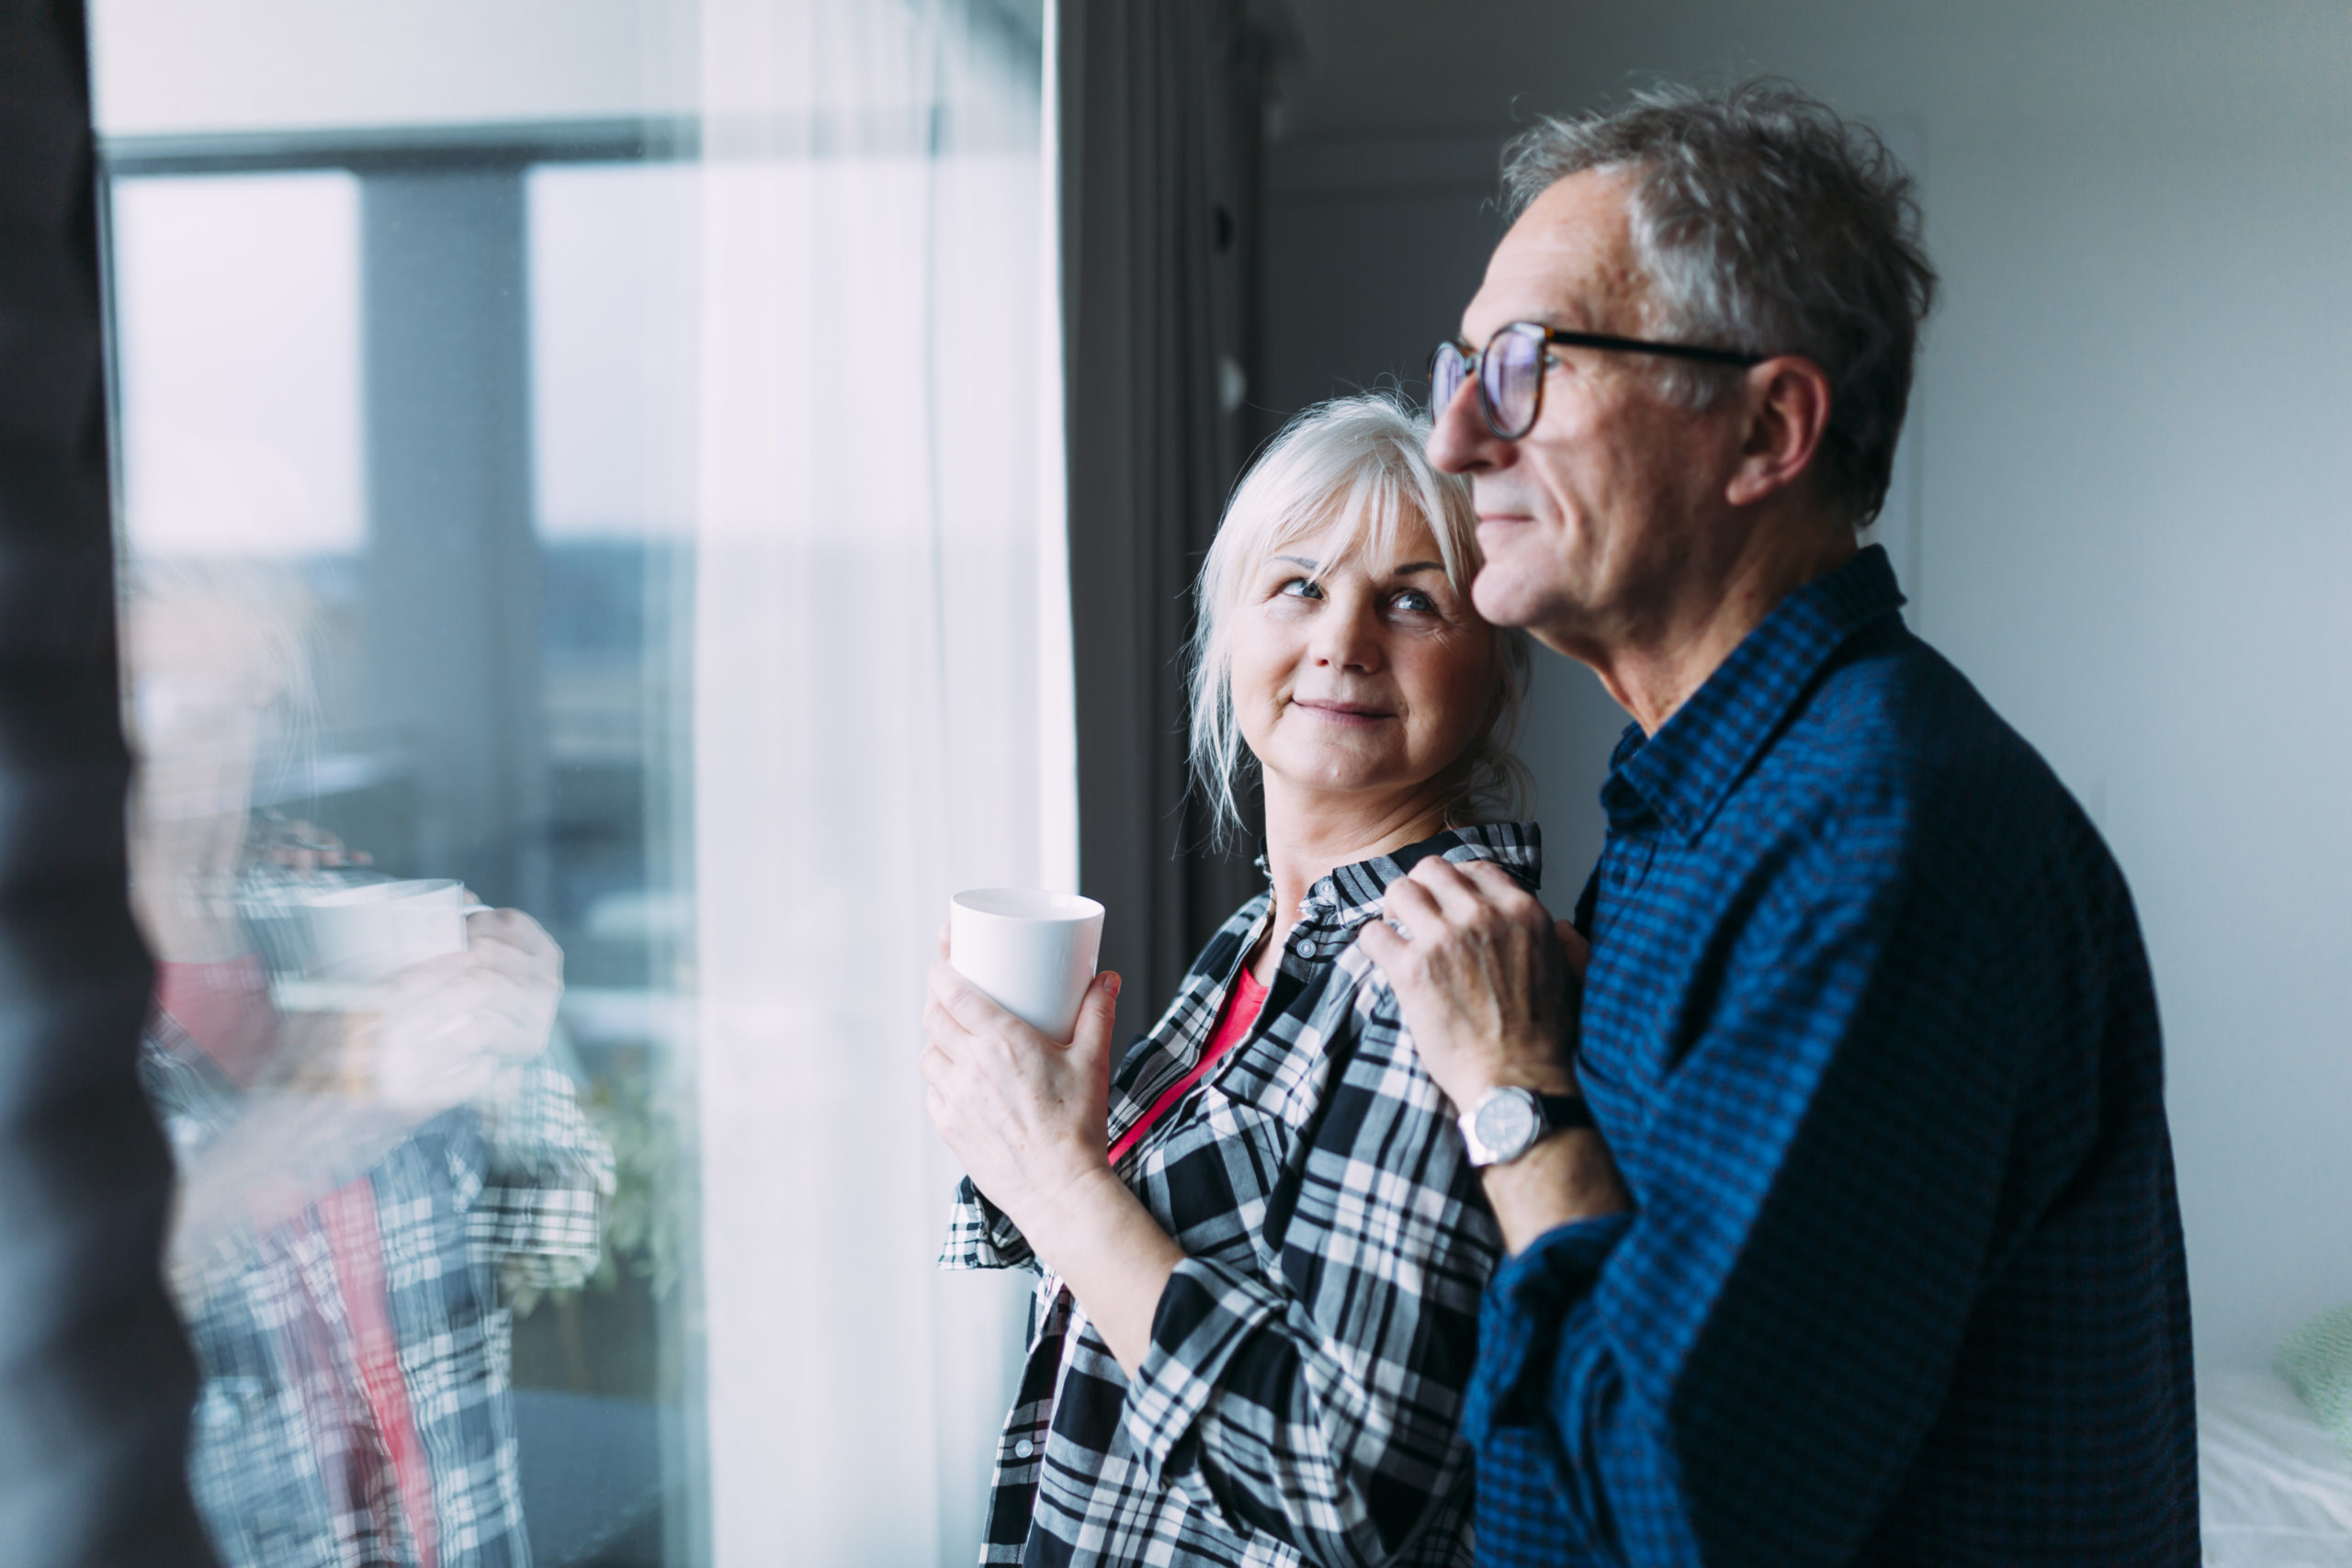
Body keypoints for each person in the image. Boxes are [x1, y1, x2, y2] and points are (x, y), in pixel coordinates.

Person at [1350, 80, 2198, 1565]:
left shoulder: (1885, 844)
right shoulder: (1704, 800)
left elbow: (1695, 1513)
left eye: (1526, 364)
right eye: (1462, 364)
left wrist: (1508, 1086)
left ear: (1767, 428)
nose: (1457, 433)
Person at [924, 395, 1537, 1565]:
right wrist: (1018, 1117)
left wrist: (1057, 1178)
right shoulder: (1263, 934)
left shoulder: (1445, 969)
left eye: (1412, 600)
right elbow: (1088, 1264)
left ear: (1498, 666)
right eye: (1297, 585)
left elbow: (1346, 1492)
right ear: (1226, 633)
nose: (1343, 640)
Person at [125, 564, 614, 1568]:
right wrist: (352, 1090)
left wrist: (515, 1044)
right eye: (169, 699)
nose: (217, 742)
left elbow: (557, 1230)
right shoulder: (52, 1012)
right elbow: (97, 1301)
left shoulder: (340, 920)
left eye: (244, 696)